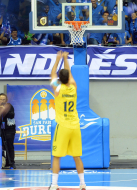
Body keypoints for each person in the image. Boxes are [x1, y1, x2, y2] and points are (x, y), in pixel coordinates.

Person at [49, 51, 85, 190]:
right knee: (77, 156)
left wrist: (58, 59)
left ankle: (54, 184)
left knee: (57, 157)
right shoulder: (74, 87)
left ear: (59, 79)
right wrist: (65, 58)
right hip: (75, 126)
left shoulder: (57, 89)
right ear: (69, 78)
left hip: (63, 126)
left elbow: (52, 74)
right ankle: (82, 184)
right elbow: (69, 74)